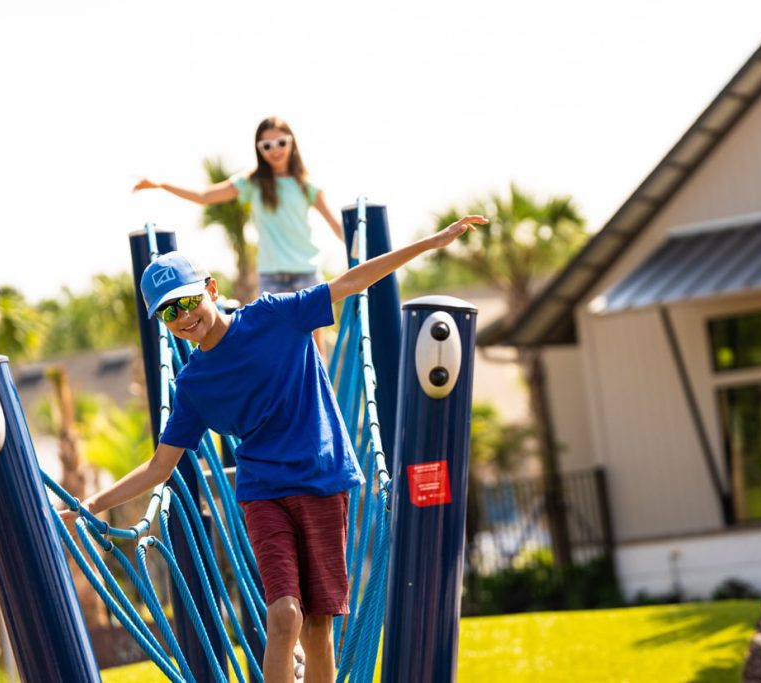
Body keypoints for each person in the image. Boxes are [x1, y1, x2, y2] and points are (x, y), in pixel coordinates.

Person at [62, 214, 487, 683]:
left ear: (210, 289)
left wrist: (431, 242)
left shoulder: (275, 316)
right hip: (264, 494)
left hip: (322, 479)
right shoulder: (193, 384)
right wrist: (89, 507)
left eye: (187, 301)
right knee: (284, 614)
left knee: (320, 627)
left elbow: (350, 282)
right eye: (168, 312)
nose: (183, 317)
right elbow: (159, 467)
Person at [133, 116, 345, 350]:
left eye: (281, 143)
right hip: (272, 276)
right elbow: (205, 196)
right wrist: (162, 185)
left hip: (306, 272)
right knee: (276, 345)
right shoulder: (253, 182)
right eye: (266, 146)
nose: (275, 150)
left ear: (292, 142)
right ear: (258, 149)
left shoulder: (307, 185)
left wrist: (360, 250)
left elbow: (336, 226)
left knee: (316, 347)